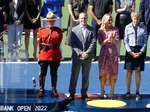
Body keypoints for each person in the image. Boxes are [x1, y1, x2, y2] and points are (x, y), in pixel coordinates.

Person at [67, 12, 96, 101]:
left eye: (84, 18)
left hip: (88, 57)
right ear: (79, 19)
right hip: (77, 57)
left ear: (87, 18)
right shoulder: (74, 30)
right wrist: (80, 53)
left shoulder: (92, 29)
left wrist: (86, 53)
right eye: (81, 18)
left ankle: (84, 93)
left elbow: (93, 42)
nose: (83, 20)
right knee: (74, 75)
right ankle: (72, 93)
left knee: (86, 75)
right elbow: (73, 43)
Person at [37, 12, 63, 97]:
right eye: (49, 20)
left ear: (54, 21)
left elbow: (59, 41)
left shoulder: (58, 31)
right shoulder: (42, 31)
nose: (51, 22)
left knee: (54, 73)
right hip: (44, 54)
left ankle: (53, 89)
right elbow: (39, 43)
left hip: (55, 54)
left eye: (52, 20)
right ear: (47, 21)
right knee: (42, 73)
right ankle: (41, 88)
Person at [124, 11, 147, 100]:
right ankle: (128, 91)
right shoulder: (127, 27)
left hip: (139, 50)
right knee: (129, 71)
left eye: (137, 19)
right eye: (134, 19)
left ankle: (137, 92)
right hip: (130, 51)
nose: (136, 20)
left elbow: (145, 41)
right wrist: (130, 51)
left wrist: (141, 52)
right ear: (131, 18)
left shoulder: (144, 28)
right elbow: (125, 41)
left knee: (138, 72)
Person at [98, 14, 119, 99]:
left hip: (113, 53)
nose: (110, 22)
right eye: (108, 20)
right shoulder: (100, 31)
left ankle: (112, 92)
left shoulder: (115, 29)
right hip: (104, 53)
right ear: (105, 21)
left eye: (111, 20)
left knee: (112, 72)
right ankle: (102, 91)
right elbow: (100, 43)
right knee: (103, 73)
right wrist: (107, 39)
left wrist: (112, 38)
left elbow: (116, 42)